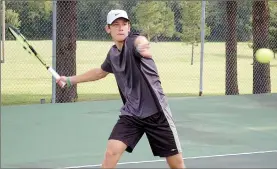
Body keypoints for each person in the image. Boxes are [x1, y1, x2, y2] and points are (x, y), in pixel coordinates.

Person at [56, 9, 186, 169]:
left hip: (157, 113)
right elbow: (100, 72)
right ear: (108, 29)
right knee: (111, 153)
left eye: (124, 24)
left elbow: (140, 41)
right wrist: (70, 80)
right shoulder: (113, 54)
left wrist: (143, 45)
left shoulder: (133, 43)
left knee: (176, 164)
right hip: (132, 114)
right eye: (116, 25)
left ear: (129, 27)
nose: (121, 28)